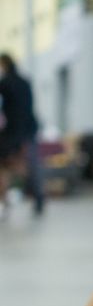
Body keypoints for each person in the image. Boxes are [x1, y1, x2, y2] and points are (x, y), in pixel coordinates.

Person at [0, 52, 44, 215]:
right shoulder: (25, 81)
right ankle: (38, 198)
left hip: (13, 131)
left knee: (5, 166)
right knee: (32, 164)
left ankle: (4, 200)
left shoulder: (5, 83)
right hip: (29, 128)